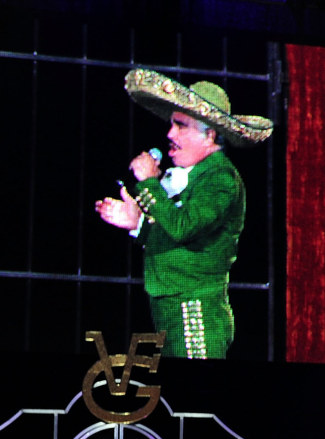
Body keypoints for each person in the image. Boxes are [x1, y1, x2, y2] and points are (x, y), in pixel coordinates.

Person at [95, 68, 273, 359]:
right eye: (172, 124)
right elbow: (179, 240)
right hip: (172, 308)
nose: (169, 134)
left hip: (196, 312)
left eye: (181, 126)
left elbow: (183, 227)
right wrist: (138, 224)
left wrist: (149, 182)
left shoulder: (221, 180)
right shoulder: (196, 176)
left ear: (209, 135)